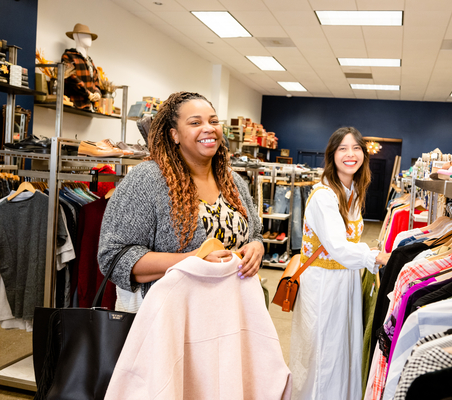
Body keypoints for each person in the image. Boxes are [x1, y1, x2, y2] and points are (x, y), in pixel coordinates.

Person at [98, 92, 264, 299]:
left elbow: (255, 234)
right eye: (195, 122)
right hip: (174, 315)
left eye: (213, 121)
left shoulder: (233, 181)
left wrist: (257, 247)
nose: (209, 128)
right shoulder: (147, 179)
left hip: (232, 307)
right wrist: (193, 259)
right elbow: (113, 257)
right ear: (174, 134)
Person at [289, 126, 391, 400]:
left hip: (345, 281)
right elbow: (336, 247)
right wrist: (374, 256)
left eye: (356, 148)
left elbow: (346, 243)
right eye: (342, 149)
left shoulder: (352, 190)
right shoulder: (324, 195)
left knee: (342, 347)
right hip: (324, 284)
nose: (350, 154)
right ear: (331, 155)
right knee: (325, 352)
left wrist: (362, 251)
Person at [62, 23, 102, 110]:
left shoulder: (90, 61)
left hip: (89, 106)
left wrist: (97, 93)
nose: (90, 39)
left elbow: (96, 80)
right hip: (74, 103)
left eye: (90, 37)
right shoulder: (68, 56)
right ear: (76, 37)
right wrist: (88, 94)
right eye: (86, 36)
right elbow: (72, 78)